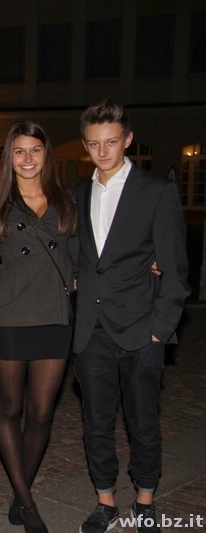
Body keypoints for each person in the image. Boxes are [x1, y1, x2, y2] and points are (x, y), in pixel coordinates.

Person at [73, 100, 189, 533]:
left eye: (111, 142)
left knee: (143, 423)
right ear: (86, 145)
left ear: (127, 140)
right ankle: (105, 501)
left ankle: (145, 500)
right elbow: (76, 257)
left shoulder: (156, 190)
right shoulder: (77, 193)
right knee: (96, 423)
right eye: (94, 144)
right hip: (92, 331)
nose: (103, 151)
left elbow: (176, 270)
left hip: (142, 330)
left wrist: (160, 330)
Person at [0, 122, 76, 533]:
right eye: (19, 151)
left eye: (35, 150)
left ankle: (20, 494)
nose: (28, 159)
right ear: (8, 158)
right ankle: (27, 504)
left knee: (41, 413)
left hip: (54, 315)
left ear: (46, 154)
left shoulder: (67, 201)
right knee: (8, 410)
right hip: (10, 317)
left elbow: (87, 256)